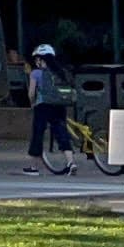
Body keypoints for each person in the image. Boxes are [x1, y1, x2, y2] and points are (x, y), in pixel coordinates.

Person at [21, 45, 74, 173]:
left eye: (36, 59)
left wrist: (32, 103)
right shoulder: (60, 71)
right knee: (62, 133)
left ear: (41, 59)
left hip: (43, 106)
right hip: (59, 106)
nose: (36, 62)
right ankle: (71, 162)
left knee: (38, 135)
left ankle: (34, 167)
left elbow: (31, 93)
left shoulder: (36, 73)